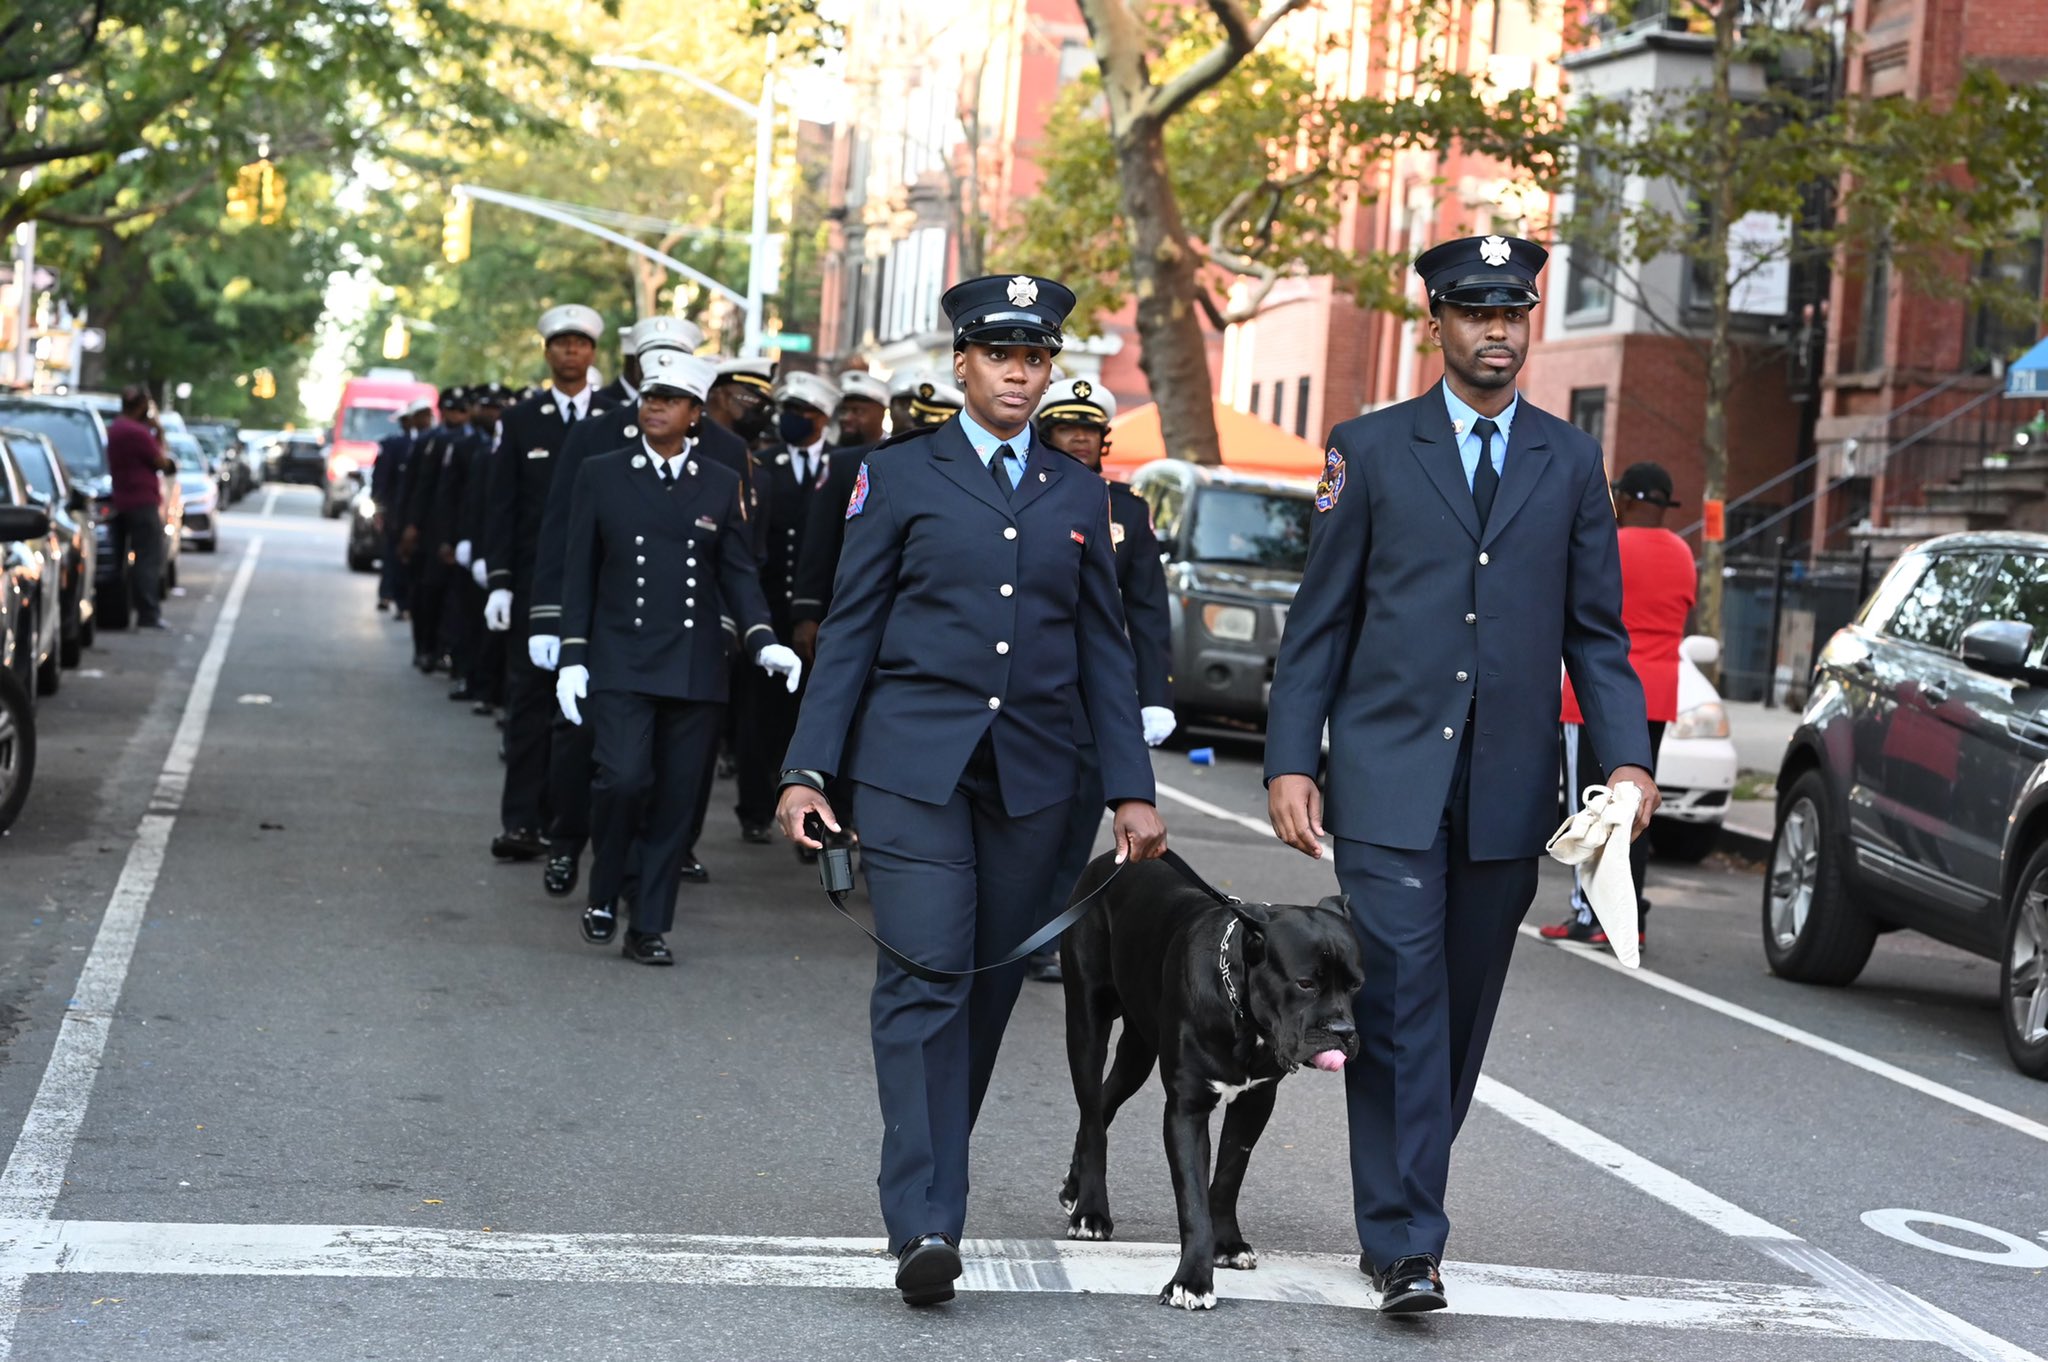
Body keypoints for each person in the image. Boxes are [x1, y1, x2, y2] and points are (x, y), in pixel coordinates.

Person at [1263, 234, 1659, 1315]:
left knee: (1461, 1019)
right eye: (1475, 312)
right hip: (1389, 779)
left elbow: (1596, 634)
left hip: (1506, 790)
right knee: (1393, 1004)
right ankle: (1405, 1243)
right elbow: (1320, 623)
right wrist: (1292, 758)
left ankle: (1399, 1208)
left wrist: (1625, 759)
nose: (1497, 330)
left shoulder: (1568, 461)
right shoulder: (1369, 448)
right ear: (1433, 324)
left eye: (1513, 312)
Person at [774, 274, 1169, 1309]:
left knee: (986, 990)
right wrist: (806, 770)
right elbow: (851, 632)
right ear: (961, 366)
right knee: (925, 975)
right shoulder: (897, 477)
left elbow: (1102, 651)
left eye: (1035, 357)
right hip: (911, 775)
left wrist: (1130, 790)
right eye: (1001, 355)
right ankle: (925, 1219)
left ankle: (932, 1193)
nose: (1018, 373)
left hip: (1038, 785)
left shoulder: (1077, 492)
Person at [555, 348, 802, 964]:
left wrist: (763, 638)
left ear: (695, 413)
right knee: (622, 780)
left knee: (674, 799)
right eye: (648, 396)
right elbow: (578, 571)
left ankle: (650, 925)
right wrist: (572, 654)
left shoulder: (721, 482)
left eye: (668, 399)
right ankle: (607, 885)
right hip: (620, 658)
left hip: (694, 664)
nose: (654, 406)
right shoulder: (603, 472)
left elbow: (739, 574)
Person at [527, 317, 724, 896]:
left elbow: (735, 556)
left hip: (679, 646)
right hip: (604, 633)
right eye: (652, 368)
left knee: (658, 776)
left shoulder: (724, 453)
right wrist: (552, 622)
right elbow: (563, 534)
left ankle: (641, 876)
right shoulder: (596, 435)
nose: (658, 385)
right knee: (579, 746)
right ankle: (565, 843)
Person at [1023, 376, 1177, 984]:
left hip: (1095, 701)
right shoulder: (1022, 496)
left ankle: (1043, 935)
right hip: (1032, 688)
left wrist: (1156, 696)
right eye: (1068, 428)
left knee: (1073, 828)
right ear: (1048, 433)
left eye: (1090, 430)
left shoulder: (1130, 511)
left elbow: (1147, 612)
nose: (1080, 439)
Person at [483, 304, 621, 862]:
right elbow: (503, 505)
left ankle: (570, 823)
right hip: (539, 586)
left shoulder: (620, 415)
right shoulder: (523, 418)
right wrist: (499, 581)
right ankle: (520, 819)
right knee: (530, 705)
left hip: (602, 586)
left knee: (587, 712)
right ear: (548, 352)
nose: (571, 352)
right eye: (561, 343)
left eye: (581, 344)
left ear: (593, 353)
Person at [1543, 460, 1696, 948]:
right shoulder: (1683, 554)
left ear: (1624, 500)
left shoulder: (1607, 545)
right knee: (1637, 810)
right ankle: (1630, 916)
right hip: (1657, 694)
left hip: (1597, 696)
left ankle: (1589, 914)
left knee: (1589, 806)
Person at [788, 373, 964, 663]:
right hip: (855, 608)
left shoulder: (970, 476)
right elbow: (819, 541)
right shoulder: (855, 463)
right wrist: (807, 612)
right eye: (902, 405)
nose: (908, 416)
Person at [734, 371, 841, 844]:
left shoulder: (840, 466)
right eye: (788, 412)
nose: (793, 420)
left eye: (804, 413)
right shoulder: (763, 461)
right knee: (762, 714)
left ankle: (816, 814)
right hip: (769, 609)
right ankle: (755, 806)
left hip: (825, 612)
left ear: (822, 418)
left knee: (814, 714)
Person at [400, 386, 472, 673]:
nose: (456, 415)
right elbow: (418, 487)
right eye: (451, 409)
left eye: (461, 410)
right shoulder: (430, 441)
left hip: (460, 527)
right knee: (427, 592)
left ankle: (445, 649)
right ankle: (425, 647)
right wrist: (411, 525)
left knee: (453, 597)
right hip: (431, 528)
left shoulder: (473, 442)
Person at [456, 384, 510, 711]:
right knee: (478, 623)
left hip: (506, 552)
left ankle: (495, 692)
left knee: (500, 634)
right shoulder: (483, 453)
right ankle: (478, 684)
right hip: (485, 548)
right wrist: (472, 548)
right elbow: (475, 504)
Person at [104, 386, 175, 631]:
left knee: (119, 559)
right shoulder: (138, 432)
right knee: (148, 557)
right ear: (143, 406)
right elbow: (162, 462)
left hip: (121, 499)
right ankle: (148, 612)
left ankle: (117, 612)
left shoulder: (116, 429)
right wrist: (159, 429)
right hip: (142, 502)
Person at [372, 397, 435, 618]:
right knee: (392, 554)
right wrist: (380, 508)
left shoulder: (435, 441)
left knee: (411, 558)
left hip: (419, 512)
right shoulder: (393, 445)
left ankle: (406, 601)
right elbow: (381, 479)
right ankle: (389, 595)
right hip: (395, 510)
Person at [834, 371, 890, 448]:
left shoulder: (894, 449)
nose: (846, 418)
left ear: (880, 413)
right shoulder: (828, 455)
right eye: (843, 411)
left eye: (857, 411)